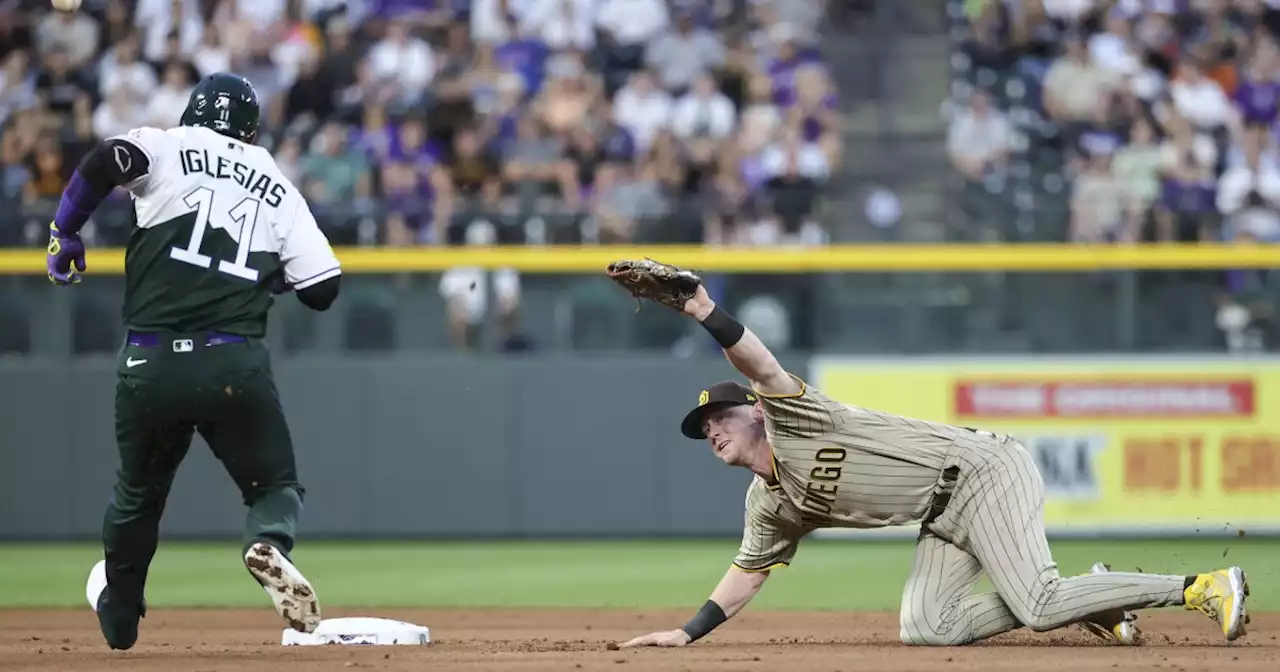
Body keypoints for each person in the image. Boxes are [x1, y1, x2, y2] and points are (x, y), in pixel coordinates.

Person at [604, 259, 1250, 649]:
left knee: (1040, 605)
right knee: (929, 628)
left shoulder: (793, 415)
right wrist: (687, 633)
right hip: (943, 517)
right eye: (703, 427)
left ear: (752, 412)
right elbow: (748, 573)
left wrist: (702, 309)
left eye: (720, 416)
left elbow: (760, 361)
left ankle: (1202, 587)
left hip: (981, 472)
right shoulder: (768, 503)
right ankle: (1098, 596)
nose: (712, 430)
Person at [46, 73, 339, 650]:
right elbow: (323, 287)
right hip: (233, 364)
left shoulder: (166, 144)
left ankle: (121, 609)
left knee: (138, 495)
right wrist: (260, 276)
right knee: (273, 485)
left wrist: (64, 230)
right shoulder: (276, 180)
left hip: (148, 363)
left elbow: (108, 158)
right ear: (252, 129)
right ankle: (270, 544)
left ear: (193, 110)